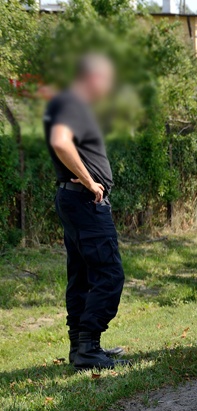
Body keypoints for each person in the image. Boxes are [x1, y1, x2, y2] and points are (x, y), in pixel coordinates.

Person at [44, 54, 126, 369]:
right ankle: (89, 345)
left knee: (81, 275)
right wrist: (92, 182)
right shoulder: (72, 103)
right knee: (109, 274)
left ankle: (82, 347)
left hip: (75, 200)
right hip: (85, 201)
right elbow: (61, 142)